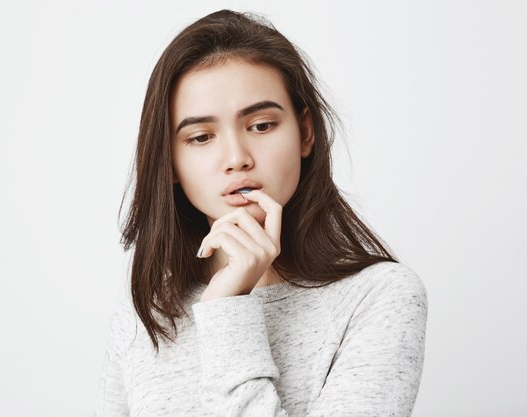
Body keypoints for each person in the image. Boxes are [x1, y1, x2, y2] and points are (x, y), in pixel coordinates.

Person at [95, 9, 428, 417]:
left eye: (262, 126)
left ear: (305, 133)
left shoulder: (379, 297)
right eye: (201, 137)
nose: (237, 158)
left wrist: (226, 309)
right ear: (170, 162)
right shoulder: (147, 308)